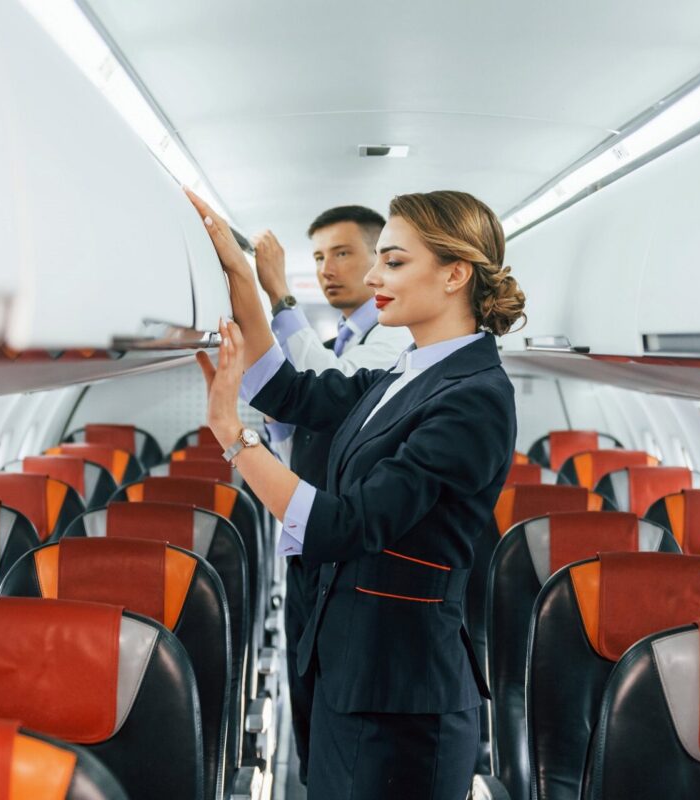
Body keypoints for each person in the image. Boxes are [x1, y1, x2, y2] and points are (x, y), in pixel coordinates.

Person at [186, 187, 525, 799]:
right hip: (350, 670)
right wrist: (242, 278)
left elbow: (344, 525)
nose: (372, 276)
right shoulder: (411, 370)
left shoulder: (474, 397)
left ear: (455, 273)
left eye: (393, 262)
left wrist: (234, 438)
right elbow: (294, 393)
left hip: (403, 703)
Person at [250, 208, 411, 784]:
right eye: (317, 257)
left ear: (378, 259)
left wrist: (276, 297)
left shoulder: (397, 337)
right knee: (307, 701)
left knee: (339, 723)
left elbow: (332, 394)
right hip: (306, 547)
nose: (326, 269)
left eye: (342, 253)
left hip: (348, 551)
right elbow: (298, 422)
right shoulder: (332, 342)